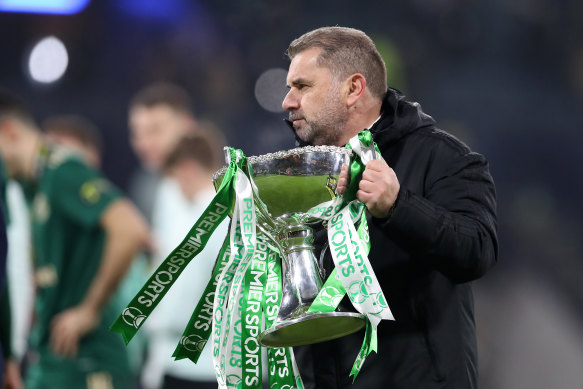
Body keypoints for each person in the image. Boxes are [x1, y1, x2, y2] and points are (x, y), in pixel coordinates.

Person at [281, 27, 498, 388]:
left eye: (302, 86)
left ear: (353, 89)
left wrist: (397, 207)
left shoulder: (443, 158)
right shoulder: (300, 171)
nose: (288, 101)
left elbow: (477, 251)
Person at [0, 90, 150, 389]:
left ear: (7, 130)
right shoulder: (31, 183)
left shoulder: (62, 170)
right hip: (55, 358)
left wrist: (89, 309)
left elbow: (130, 228)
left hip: (87, 360)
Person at [141, 134, 228, 389]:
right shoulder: (224, 209)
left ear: (187, 170)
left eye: (175, 178)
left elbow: (182, 295)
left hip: (194, 365)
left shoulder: (209, 215)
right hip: (215, 361)